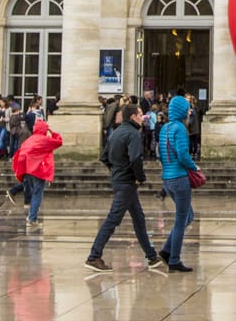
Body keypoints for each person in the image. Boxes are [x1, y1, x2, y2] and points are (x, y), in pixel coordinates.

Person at [85, 103, 166, 272]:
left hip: (120, 179)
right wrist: (139, 178)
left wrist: (117, 171)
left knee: (138, 218)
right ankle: (94, 256)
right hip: (127, 182)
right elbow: (136, 158)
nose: (143, 118)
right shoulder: (133, 134)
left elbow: (105, 157)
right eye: (140, 115)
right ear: (132, 117)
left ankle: (151, 256)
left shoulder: (117, 133)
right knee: (113, 218)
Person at [157, 94, 198, 272]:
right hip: (180, 178)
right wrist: (194, 167)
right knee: (181, 220)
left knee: (188, 215)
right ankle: (174, 259)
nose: (189, 111)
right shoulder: (180, 128)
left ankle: (166, 251)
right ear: (182, 111)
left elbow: (160, 152)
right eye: (187, 108)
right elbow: (182, 154)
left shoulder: (164, 128)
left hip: (167, 178)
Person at [11, 118, 63, 228]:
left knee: (33, 193)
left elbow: (20, 154)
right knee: (37, 195)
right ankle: (32, 218)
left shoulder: (30, 140)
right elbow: (59, 142)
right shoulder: (44, 140)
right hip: (38, 171)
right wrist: (52, 132)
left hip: (27, 170)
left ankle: (31, 216)